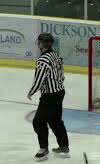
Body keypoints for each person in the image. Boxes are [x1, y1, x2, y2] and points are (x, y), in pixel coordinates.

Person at [27, 33, 70, 161]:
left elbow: (39, 80)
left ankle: (43, 149)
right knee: (55, 121)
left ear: (40, 44)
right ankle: (64, 147)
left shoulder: (42, 60)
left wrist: (31, 92)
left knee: (38, 121)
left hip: (49, 95)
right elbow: (61, 75)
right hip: (60, 92)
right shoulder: (56, 55)